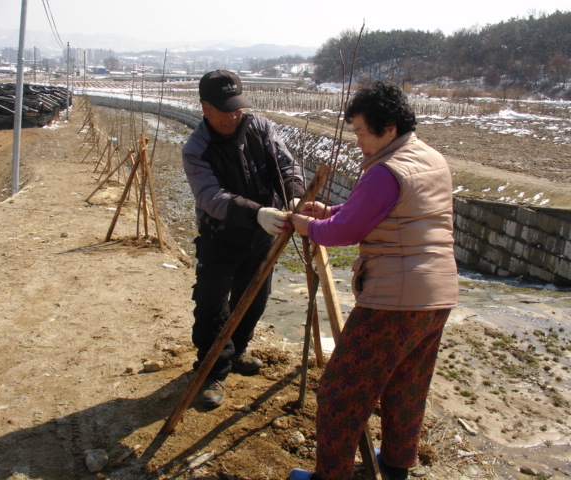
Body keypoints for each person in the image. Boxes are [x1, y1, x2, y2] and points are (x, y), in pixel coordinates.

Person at [289, 81, 459, 480]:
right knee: (407, 386)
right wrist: (331, 208)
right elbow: (383, 210)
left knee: (339, 395)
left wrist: (308, 225)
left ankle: (330, 476)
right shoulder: (430, 158)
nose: (359, 141)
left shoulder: (386, 170)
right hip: (437, 296)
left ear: (390, 128)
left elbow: (344, 232)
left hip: (394, 301)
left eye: (363, 131)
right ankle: (396, 466)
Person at [182, 70, 306, 408]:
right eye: (224, 110)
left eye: (237, 108)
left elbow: (287, 166)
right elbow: (211, 197)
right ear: (205, 107)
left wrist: (293, 195)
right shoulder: (197, 149)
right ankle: (212, 371)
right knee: (211, 304)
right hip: (220, 237)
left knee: (255, 298)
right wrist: (256, 213)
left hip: (263, 235)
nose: (233, 116)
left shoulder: (260, 128)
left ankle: (236, 351)